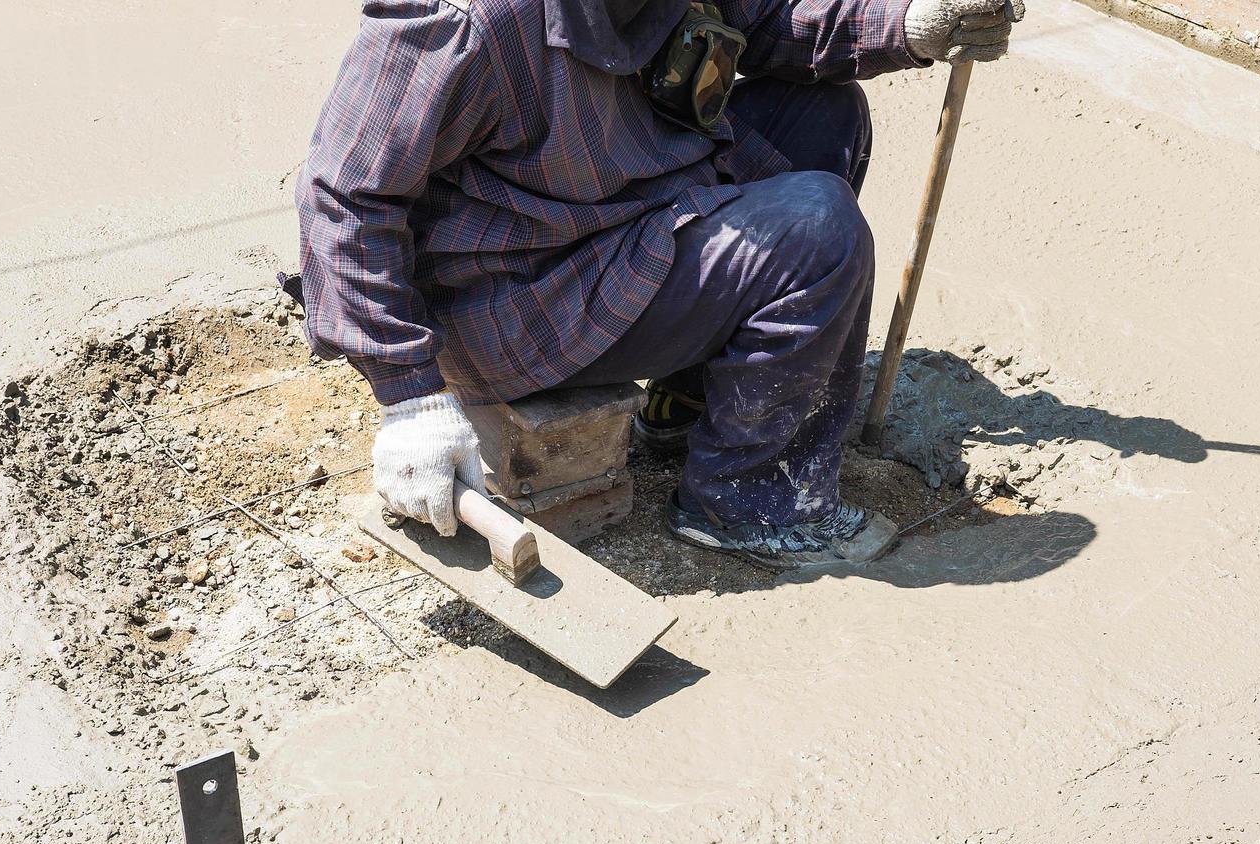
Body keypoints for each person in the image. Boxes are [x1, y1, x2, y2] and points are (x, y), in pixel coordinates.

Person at [296, 0, 1022, 568]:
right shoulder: (466, 19)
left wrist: (910, 25)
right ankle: (748, 499)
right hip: (516, 291)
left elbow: (768, 19)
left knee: (822, 115)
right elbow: (345, 194)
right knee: (818, 232)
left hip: (620, 198)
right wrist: (409, 392)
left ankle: (690, 398)